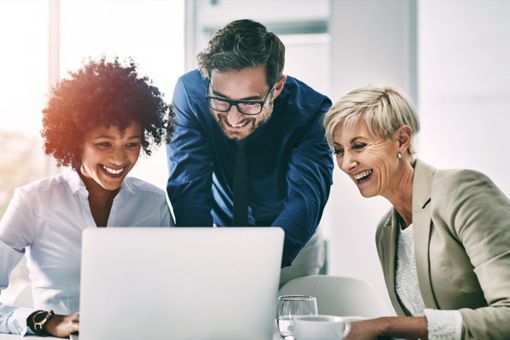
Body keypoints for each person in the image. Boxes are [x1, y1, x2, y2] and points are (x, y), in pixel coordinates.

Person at [0, 58, 174, 337]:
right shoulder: (33, 202)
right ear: (75, 142)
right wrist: (47, 322)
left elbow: (173, 288)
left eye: (132, 144)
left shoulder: (153, 203)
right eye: (104, 144)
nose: (120, 158)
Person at [324, 84, 510, 339]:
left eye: (359, 145)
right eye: (339, 150)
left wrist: (383, 326)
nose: (346, 163)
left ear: (402, 139)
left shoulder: (462, 191)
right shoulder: (386, 232)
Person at [167, 19, 333, 284]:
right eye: (221, 100)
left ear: (277, 87)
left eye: (249, 103)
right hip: (217, 236)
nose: (233, 118)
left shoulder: (313, 112)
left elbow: (305, 200)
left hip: (290, 243)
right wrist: (196, 257)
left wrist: (254, 264)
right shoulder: (190, 94)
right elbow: (188, 186)